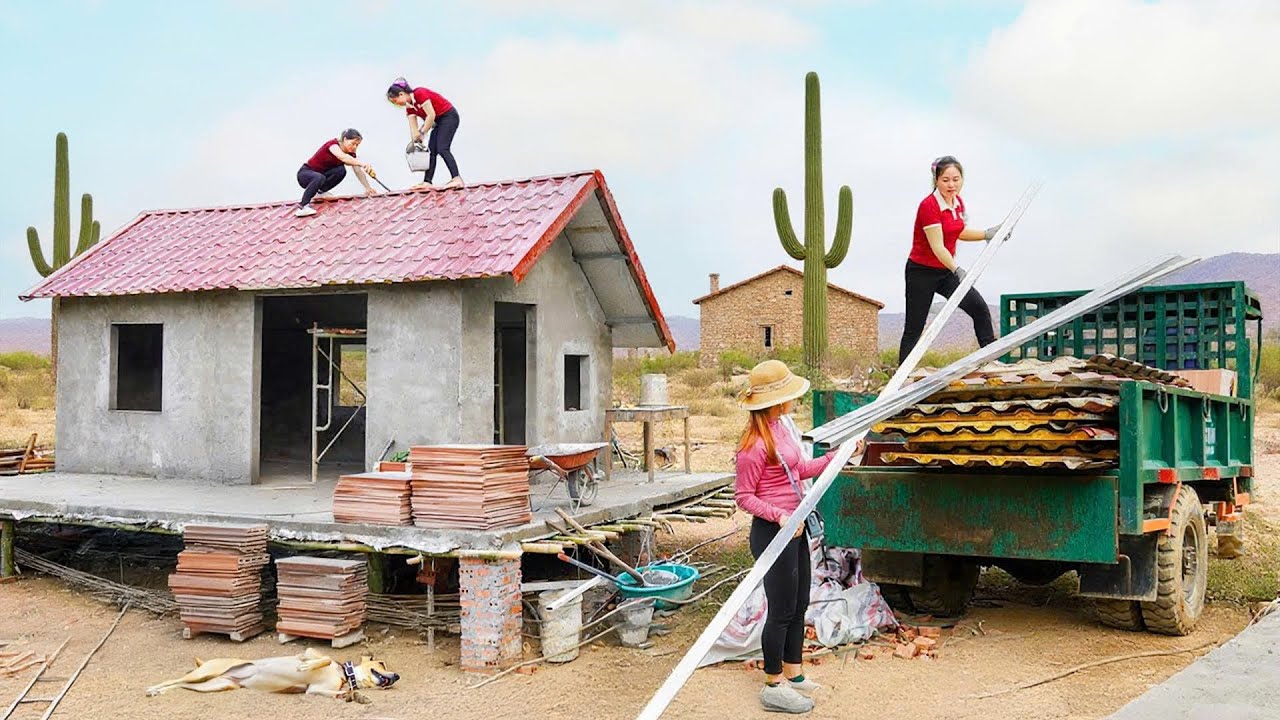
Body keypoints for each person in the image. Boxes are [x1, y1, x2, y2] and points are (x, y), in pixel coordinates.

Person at [734, 360, 833, 715]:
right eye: (789, 394)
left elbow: (800, 469)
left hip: (796, 528)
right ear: (775, 401)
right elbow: (743, 496)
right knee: (781, 610)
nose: (794, 399)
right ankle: (773, 684)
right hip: (772, 533)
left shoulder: (782, 429)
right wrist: (779, 516)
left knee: (799, 603)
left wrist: (835, 458)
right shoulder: (753, 446)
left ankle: (794, 672)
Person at [898, 155, 1003, 361]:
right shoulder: (929, 206)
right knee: (914, 328)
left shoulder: (957, 203)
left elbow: (958, 232)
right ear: (936, 180)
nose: (951, 185)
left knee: (979, 308)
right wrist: (957, 269)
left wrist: (986, 234)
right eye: (945, 180)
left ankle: (991, 360)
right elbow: (937, 246)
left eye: (956, 179)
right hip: (921, 272)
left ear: (962, 179)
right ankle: (901, 376)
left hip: (945, 271)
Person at [386, 77, 462, 189]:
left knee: (442, 148)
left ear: (401, 94)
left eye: (395, 101)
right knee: (431, 151)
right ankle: (427, 181)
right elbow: (414, 129)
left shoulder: (419, 93)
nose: (396, 104)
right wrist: (416, 141)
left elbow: (431, 115)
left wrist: (422, 132)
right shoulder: (409, 108)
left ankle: (456, 179)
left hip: (448, 116)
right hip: (437, 122)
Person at [295, 129, 377, 218]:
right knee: (319, 177)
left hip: (321, 177)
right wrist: (362, 164)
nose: (354, 147)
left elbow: (357, 170)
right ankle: (302, 207)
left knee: (341, 170)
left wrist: (368, 188)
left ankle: (320, 192)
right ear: (345, 139)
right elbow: (342, 157)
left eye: (357, 145)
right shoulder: (333, 145)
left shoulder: (350, 154)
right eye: (353, 143)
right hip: (305, 174)